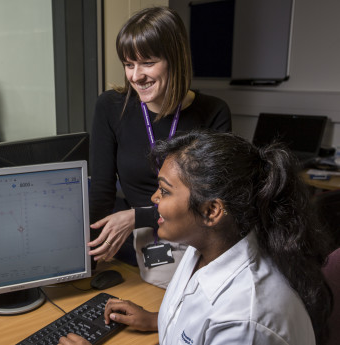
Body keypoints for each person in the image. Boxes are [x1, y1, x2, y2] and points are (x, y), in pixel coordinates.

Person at [60, 130, 333, 345]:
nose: (154, 199)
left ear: (211, 211)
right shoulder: (206, 246)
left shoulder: (244, 323)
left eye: (165, 191)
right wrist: (157, 320)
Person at [88, 6, 231, 288]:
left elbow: (213, 202)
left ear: (175, 60)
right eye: (129, 64)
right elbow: (101, 193)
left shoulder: (213, 112)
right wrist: (86, 263)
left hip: (200, 246)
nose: (136, 76)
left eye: (148, 63)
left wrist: (137, 216)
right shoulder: (110, 107)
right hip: (144, 245)